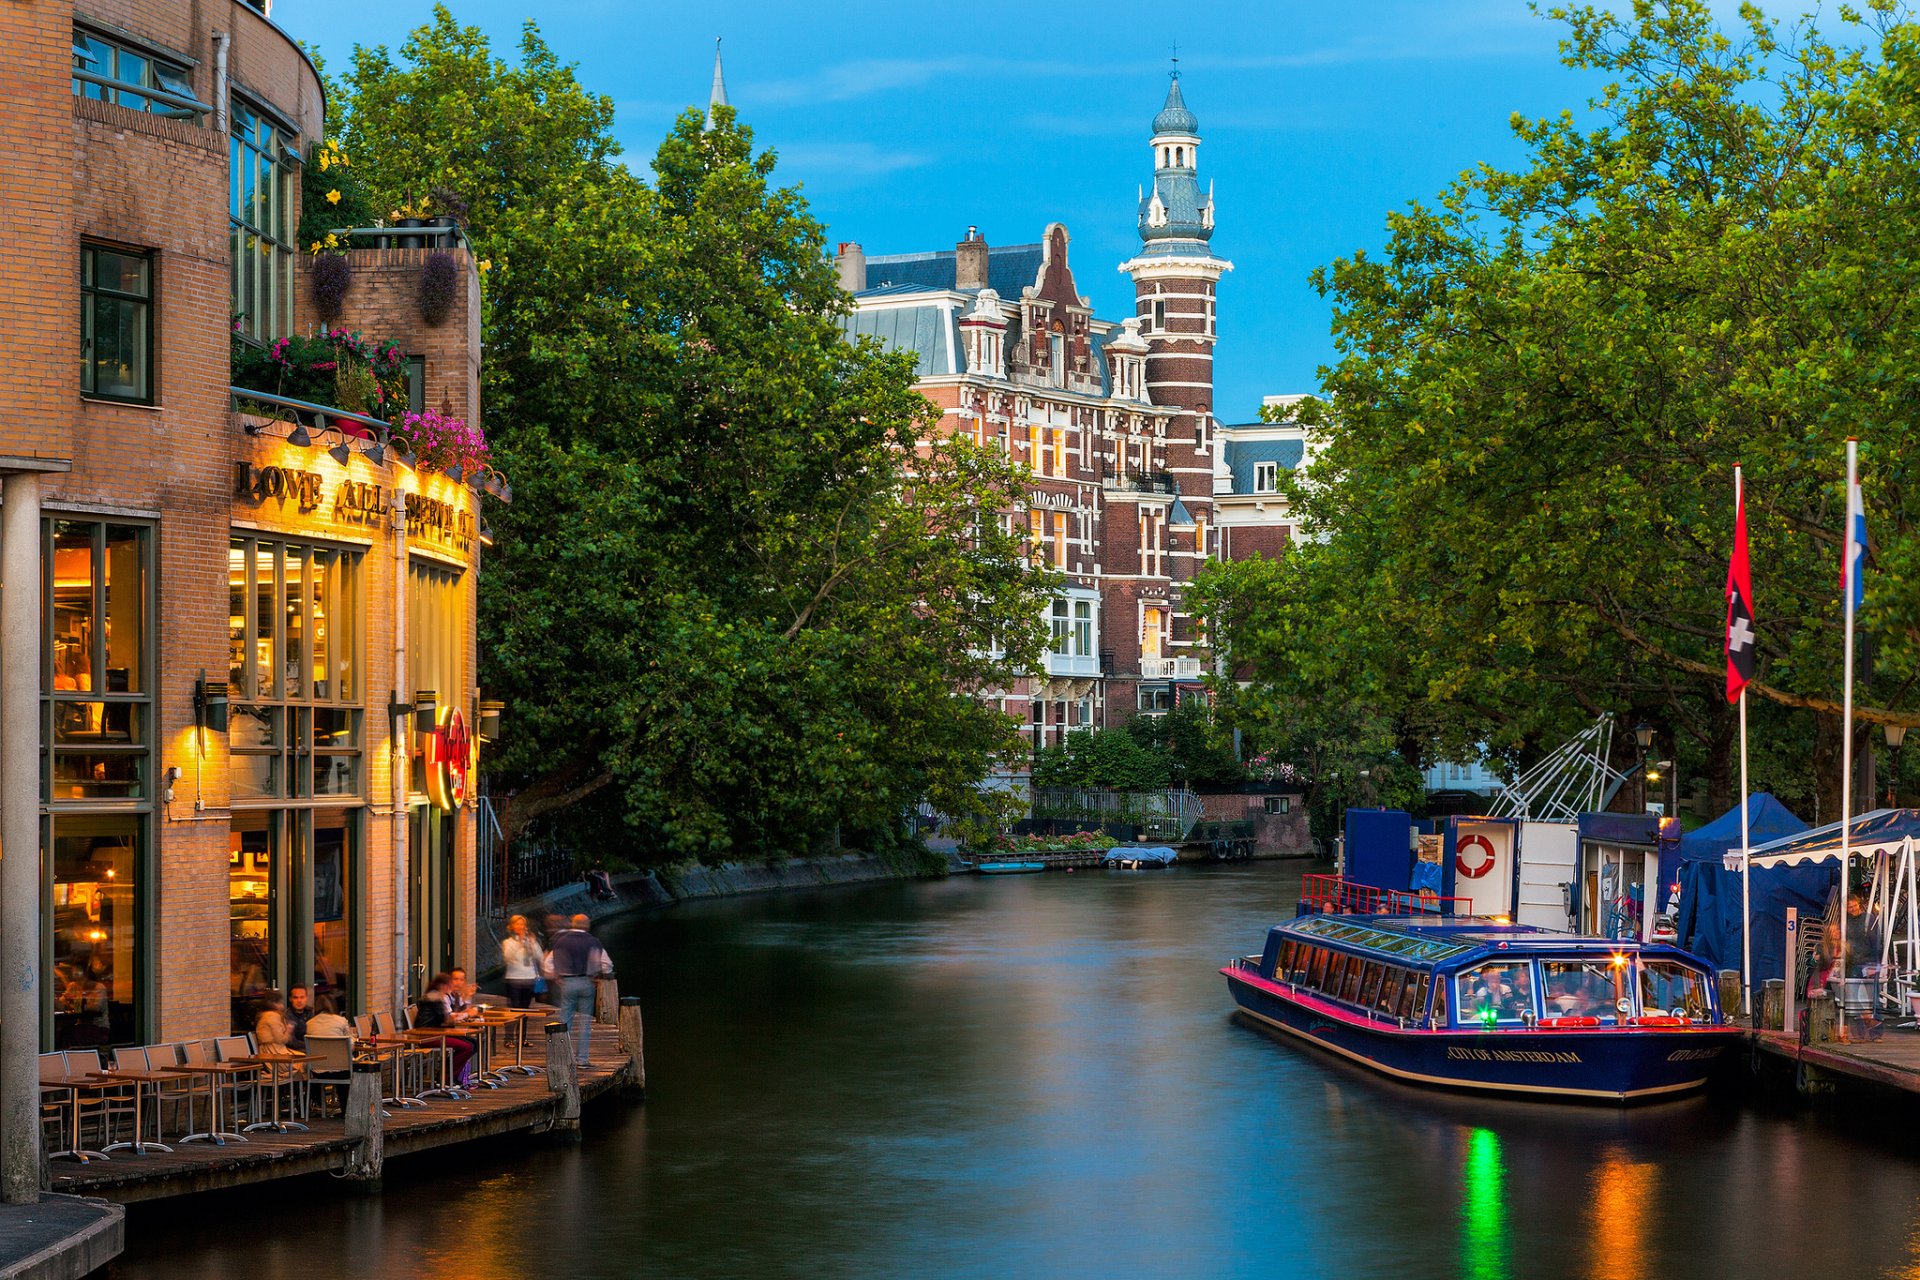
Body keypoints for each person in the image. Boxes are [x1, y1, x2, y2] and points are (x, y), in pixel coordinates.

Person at [545, 913, 613, 1068]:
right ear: (587, 925)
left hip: (567, 982)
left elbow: (547, 964)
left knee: (565, 1020)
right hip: (586, 982)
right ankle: (582, 1059)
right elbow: (607, 964)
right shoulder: (593, 941)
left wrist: (556, 976)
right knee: (585, 1022)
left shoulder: (561, 941)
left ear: (572, 924)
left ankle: (563, 1057)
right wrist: (598, 975)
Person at [413, 973, 475, 1087]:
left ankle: (449, 1076)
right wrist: (464, 1015)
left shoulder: (436, 997)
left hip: (436, 1034)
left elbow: (445, 1019)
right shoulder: (434, 998)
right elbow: (444, 1020)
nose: (451, 987)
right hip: (428, 1036)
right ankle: (446, 1078)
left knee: (472, 1043)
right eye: (450, 984)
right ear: (443, 985)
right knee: (466, 1047)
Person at [1845, 891, 1885, 1041]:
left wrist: (1876, 963)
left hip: (1868, 962)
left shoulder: (1869, 919)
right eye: (1849, 907)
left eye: (1854, 906)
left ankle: (1876, 1033)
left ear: (1858, 904)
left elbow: (1876, 943)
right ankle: (1859, 1033)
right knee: (1853, 999)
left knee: (1873, 998)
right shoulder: (1846, 921)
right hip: (1853, 963)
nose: (1852, 909)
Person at [501, 915, 545, 1009]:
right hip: (514, 979)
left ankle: (523, 1024)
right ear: (512, 926)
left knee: (525, 1008)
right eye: (517, 924)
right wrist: (519, 943)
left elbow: (539, 956)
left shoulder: (530, 941)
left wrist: (533, 944)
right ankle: (516, 1024)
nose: (520, 927)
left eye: (522, 924)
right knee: (515, 1008)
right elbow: (508, 958)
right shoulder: (508, 942)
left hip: (529, 978)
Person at [253, 991, 296, 1056]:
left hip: (270, 1050)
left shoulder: (266, 1015)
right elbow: (280, 1039)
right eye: (280, 1002)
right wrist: (288, 1030)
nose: (282, 1005)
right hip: (273, 1052)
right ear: (274, 1003)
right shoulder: (272, 1016)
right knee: (304, 1061)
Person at [285, 984, 312, 1051]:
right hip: (296, 1052)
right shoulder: (286, 1016)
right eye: (295, 997)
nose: (299, 1001)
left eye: (302, 997)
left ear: (306, 998)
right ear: (290, 999)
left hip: (312, 1049)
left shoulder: (311, 1012)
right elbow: (290, 1042)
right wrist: (310, 1045)